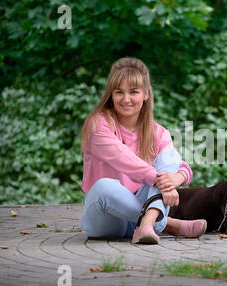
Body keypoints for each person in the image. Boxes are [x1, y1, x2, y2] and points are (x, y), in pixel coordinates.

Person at [80, 57, 207, 244]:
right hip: (105, 220)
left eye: (133, 92)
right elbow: (124, 160)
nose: (126, 99)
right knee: (104, 186)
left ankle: (147, 224)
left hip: (137, 211)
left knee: (169, 156)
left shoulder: (157, 131)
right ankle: (166, 224)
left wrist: (177, 178)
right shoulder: (99, 124)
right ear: (111, 95)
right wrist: (162, 181)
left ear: (145, 94)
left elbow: (180, 166)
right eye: (119, 92)